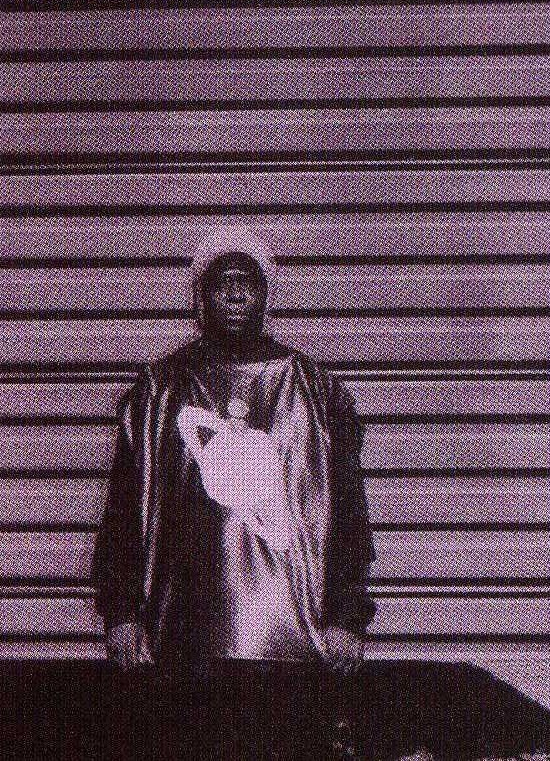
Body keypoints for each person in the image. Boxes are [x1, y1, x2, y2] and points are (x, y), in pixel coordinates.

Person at [91, 226, 376, 761]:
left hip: (291, 639)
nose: (237, 294)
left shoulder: (315, 388)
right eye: (223, 282)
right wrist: (122, 612)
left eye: (249, 282)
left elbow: (348, 514)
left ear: (267, 296)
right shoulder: (158, 389)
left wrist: (346, 616)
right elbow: (125, 512)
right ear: (200, 299)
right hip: (182, 638)